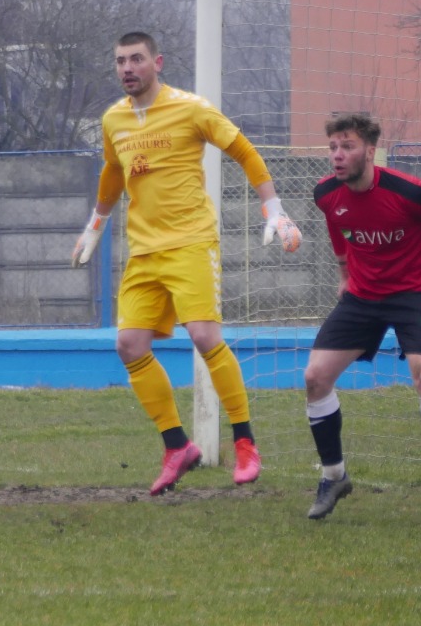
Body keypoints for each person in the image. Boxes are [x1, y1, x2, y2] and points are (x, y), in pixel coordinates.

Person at [71, 31, 302, 495]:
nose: (127, 68)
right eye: (119, 61)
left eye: (136, 59)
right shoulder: (113, 119)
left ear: (156, 62)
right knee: (129, 345)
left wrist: (273, 208)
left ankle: (244, 441)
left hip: (192, 242)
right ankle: (177, 446)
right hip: (144, 250)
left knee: (203, 335)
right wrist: (95, 225)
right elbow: (113, 171)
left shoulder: (191, 108)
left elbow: (242, 150)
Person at [303, 113, 421, 521]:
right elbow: (334, 225)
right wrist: (344, 272)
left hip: (415, 297)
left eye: (348, 147)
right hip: (362, 298)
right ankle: (334, 475)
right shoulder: (326, 194)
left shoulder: (408, 191)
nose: (338, 156)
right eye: (333, 148)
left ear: (370, 151)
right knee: (314, 377)